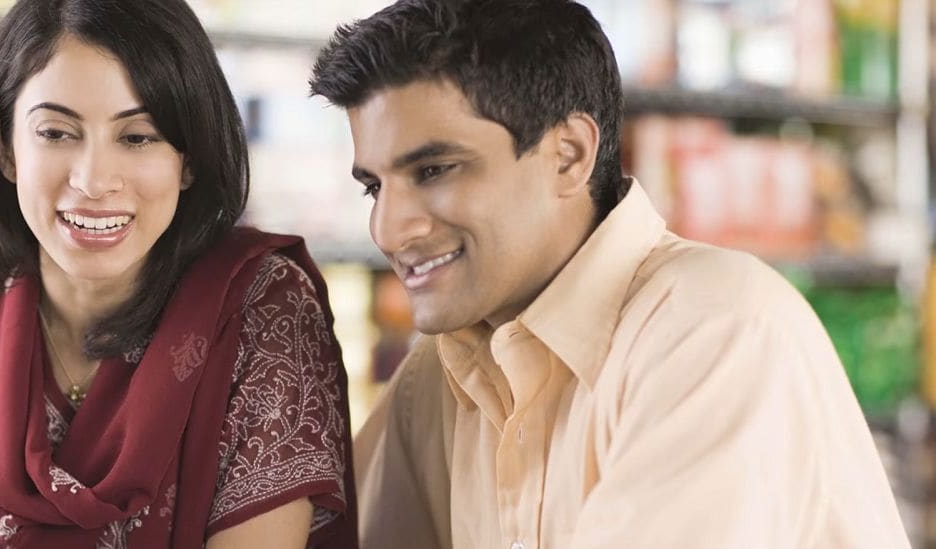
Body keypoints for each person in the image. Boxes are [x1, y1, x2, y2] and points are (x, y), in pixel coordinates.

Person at [309, 0, 909, 547]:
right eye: (374, 187)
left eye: (435, 169)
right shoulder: (442, 373)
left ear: (568, 154)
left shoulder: (713, 330)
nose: (389, 231)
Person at [0, 1, 357, 547]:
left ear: (189, 159)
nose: (93, 180)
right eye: (57, 133)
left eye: (137, 137)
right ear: (4, 147)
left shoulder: (262, 307)